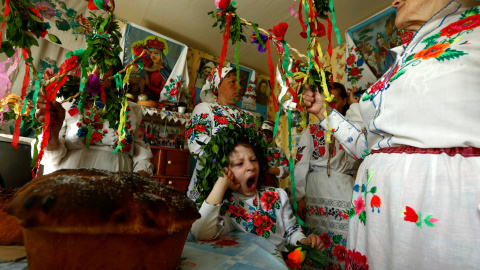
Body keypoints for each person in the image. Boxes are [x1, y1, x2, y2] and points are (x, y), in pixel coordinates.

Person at [303, 0, 480, 268]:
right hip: (376, 222)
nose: (394, 2)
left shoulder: (474, 31)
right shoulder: (402, 58)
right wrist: (325, 113)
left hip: (442, 220)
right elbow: (371, 149)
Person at [190, 137, 326, 253]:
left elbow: (291, 231)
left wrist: (304, 240)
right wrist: (221, 183)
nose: (251, 166)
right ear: (227, 172)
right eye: (239, 163)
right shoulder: (228, 207)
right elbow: (200, 232)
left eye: (253, 160)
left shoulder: (277, 195)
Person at [34, 66, 154, 177]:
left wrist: (133, 188)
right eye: (90, 67)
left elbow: (143, 158)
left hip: (117, 189)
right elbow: (49, 158)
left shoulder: (132, 109)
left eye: (103, 68)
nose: (95, 73)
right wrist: (52, 131)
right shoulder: (65, 104)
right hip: (67, 185)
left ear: (116, 75)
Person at [294, 83, 360, 270]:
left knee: (345, 238)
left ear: (345, 101)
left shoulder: (352, 130)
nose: (328, 105)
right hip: (316, 189)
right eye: (326, 100)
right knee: (317, 240)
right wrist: (299, 197)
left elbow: (358, 157)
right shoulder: (312, 130)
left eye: (334, 101)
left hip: (343, 188)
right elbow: (301, 165)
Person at [186, 66, 258, 201]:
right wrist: (226, 172)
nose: (239, 87)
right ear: (217, 86)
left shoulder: (249, 117)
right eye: (232, 82)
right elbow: (197, 144)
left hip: (244, 185)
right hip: (214, 180)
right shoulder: (205, 108)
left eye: (241, 83)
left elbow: (259, 148)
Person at [261, 120, 289, 187]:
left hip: (272, 186)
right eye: (264, 136)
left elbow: (286, 170)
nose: (266, 139)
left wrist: (270, 170)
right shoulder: (255, 148)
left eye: (269, 137)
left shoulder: (278, 150)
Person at [142, 36, 172, 100]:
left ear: (161, 56)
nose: (152, 55)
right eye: (150, 52)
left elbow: (163, 93)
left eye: (156, 53)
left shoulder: (164, 72)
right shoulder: (147, 68)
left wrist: (148, 84)